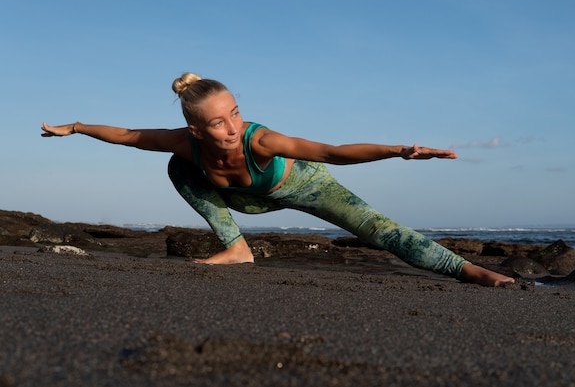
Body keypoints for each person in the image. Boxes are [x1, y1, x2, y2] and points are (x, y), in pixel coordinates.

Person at [41, 72, 515, 287]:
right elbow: (125, 135)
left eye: (235, 114)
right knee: (176, 169)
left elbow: (330, 152)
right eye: (218, 123)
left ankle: (468, 270)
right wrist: (76, 127)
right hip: (247, 199)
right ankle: (236, 247)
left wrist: (398, 151)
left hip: (306, 185)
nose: (231, 129)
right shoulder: (183, 144)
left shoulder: (261, 141)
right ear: (195, 129)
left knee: (379, 229)